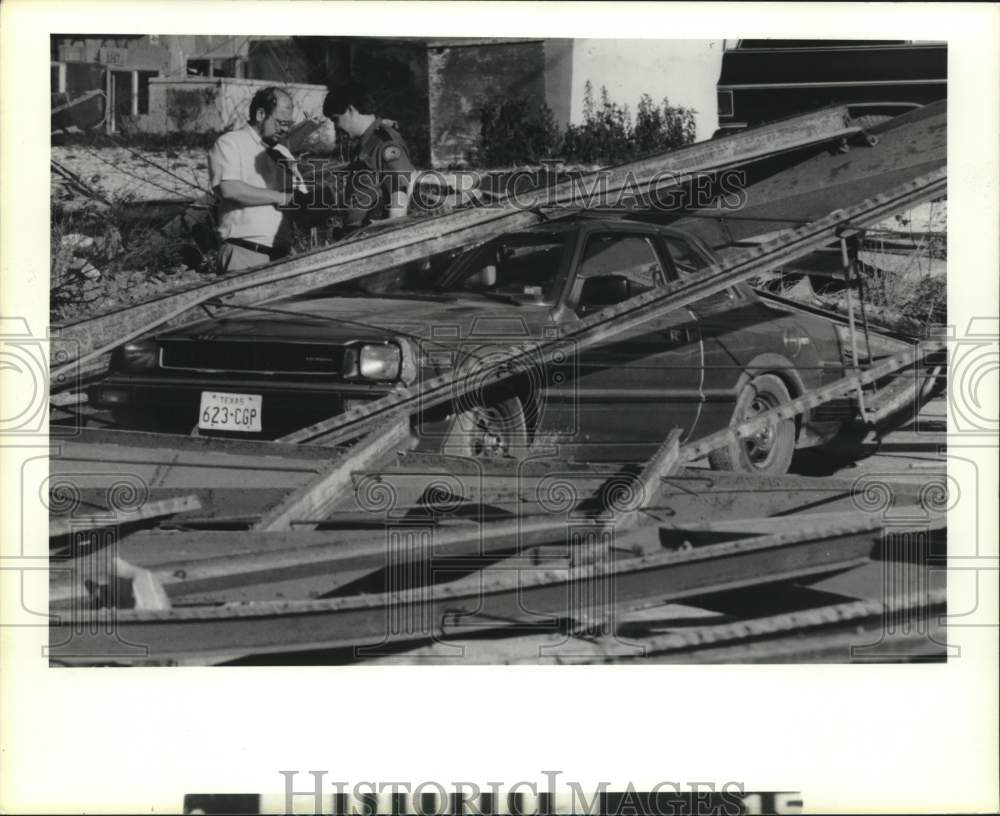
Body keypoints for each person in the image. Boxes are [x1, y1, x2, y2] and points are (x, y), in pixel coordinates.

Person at [208, 86, 297, 273]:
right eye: (280, 122)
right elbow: (230, 189)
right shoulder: (230, 143)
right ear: (260, 114)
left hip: (282, 257)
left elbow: (297, 199)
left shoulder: (284, 153)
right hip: (245, 255)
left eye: (289, 124)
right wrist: (281, 197)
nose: (285, 130)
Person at [322, 82, 415, 234]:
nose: (336, 127)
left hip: (374, 238)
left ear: (350, 109)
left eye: (335, 119)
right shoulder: (366, 144)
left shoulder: (384, 143)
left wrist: (390, 242)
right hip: (359, 235)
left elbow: (399, 195)